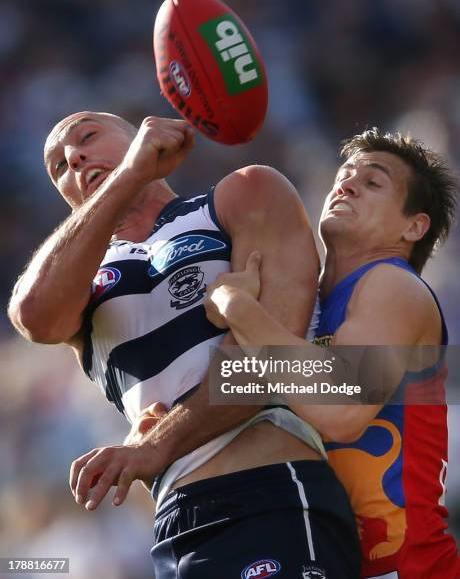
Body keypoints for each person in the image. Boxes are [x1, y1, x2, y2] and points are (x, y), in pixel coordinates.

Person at [8, 112, 360, 578]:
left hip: (271, 494)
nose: (74, 158)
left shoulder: (241, 195)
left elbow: (266, 364)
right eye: (59, 168)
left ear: (137, 138)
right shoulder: (80, 284)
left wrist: (155, 445)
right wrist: (130, 173)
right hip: (176, 524)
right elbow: (32, 315)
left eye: (88, 136)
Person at [203, 128, 460, 578]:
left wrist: (236, 306)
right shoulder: (306, 308)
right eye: (344, 175)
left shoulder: (393, 285)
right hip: (330, 560)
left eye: (373, 182)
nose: (346, 184)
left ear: (413, 226)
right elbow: (235, 396)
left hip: (409, 568)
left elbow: (341, 406)